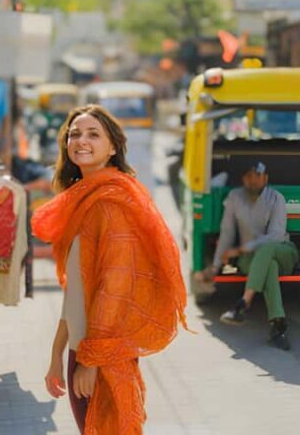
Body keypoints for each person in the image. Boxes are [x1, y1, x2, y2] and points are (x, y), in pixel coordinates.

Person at [32, 105, 187, 434]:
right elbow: (76, 292)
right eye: (74, 134)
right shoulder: (83, 200)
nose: (81, 140)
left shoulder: (109, 203)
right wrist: (57, 353)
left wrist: (90, 360)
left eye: (93, 134)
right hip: (82, 349)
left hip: (101, 352)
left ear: (113, 147)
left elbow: (114, 288)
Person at [200, 161, 298, 350]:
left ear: (265, 178)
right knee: (269, 266)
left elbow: (277, 235)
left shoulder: (276, 197)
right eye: (249, 176)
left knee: (268, 249)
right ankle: (278, 326)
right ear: (244, 179)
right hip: (253, 259)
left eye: (258, 175)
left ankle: (244, 302)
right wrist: (215, 265)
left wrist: (243, 249)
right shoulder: (234, 197)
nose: (253, 180)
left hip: (282, 250)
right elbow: (227, 232)